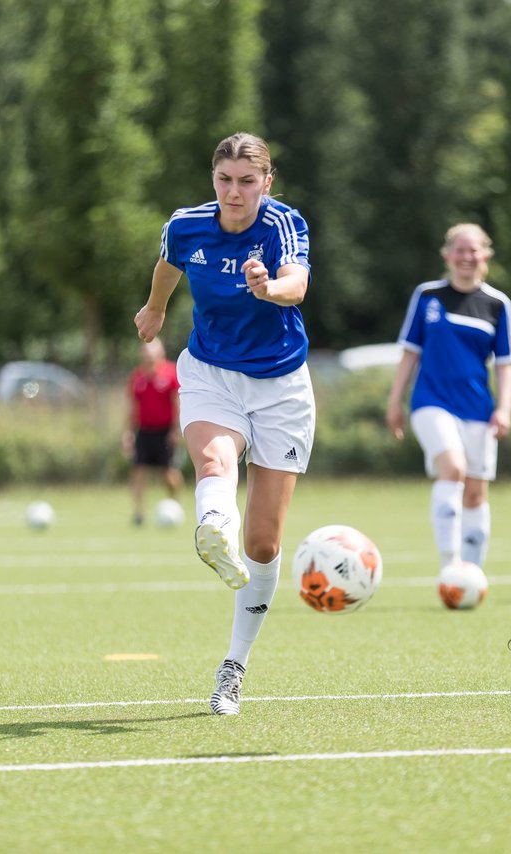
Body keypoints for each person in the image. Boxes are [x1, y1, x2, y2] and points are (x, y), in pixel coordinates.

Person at [134, 132, 313, 716]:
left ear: (267, 181)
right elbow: (168, 264)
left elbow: (299, 284)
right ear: (213, 180)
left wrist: (270, 288)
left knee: (263, 543)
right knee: (214, 461)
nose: (233, 193)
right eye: (224, 180)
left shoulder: (283, 225)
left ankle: (233, 666)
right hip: (211, 372)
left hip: (282, 387)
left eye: (246, 181)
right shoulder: (187, 225)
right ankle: (212, 523)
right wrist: (157, 307)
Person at [385, 223, 511, 575]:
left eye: (473, 250)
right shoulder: (427, 295)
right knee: (454, 468)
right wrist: (394, 401)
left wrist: (504, 409)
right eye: (459, 250)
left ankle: (471, 575)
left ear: (485, 255)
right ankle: (450, 566)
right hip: (431, 401)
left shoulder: (497, 304)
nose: (466, 257)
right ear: (447, 255)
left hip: (479, 409)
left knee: (475, 494)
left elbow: (506, 364)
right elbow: (410, 353)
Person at [123, 339, 184, 526]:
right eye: (145, 356)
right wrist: (127, 433)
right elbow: (132, 407)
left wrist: (175, 430)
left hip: (165, 432)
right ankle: (139, 513)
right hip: (144, 431)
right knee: (138, 471)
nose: (148, 359)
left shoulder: (171, 373)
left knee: (169, 474)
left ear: (160, 355)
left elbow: (177, 403)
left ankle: (176, 505)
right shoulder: (137, 377)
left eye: (151, 356)